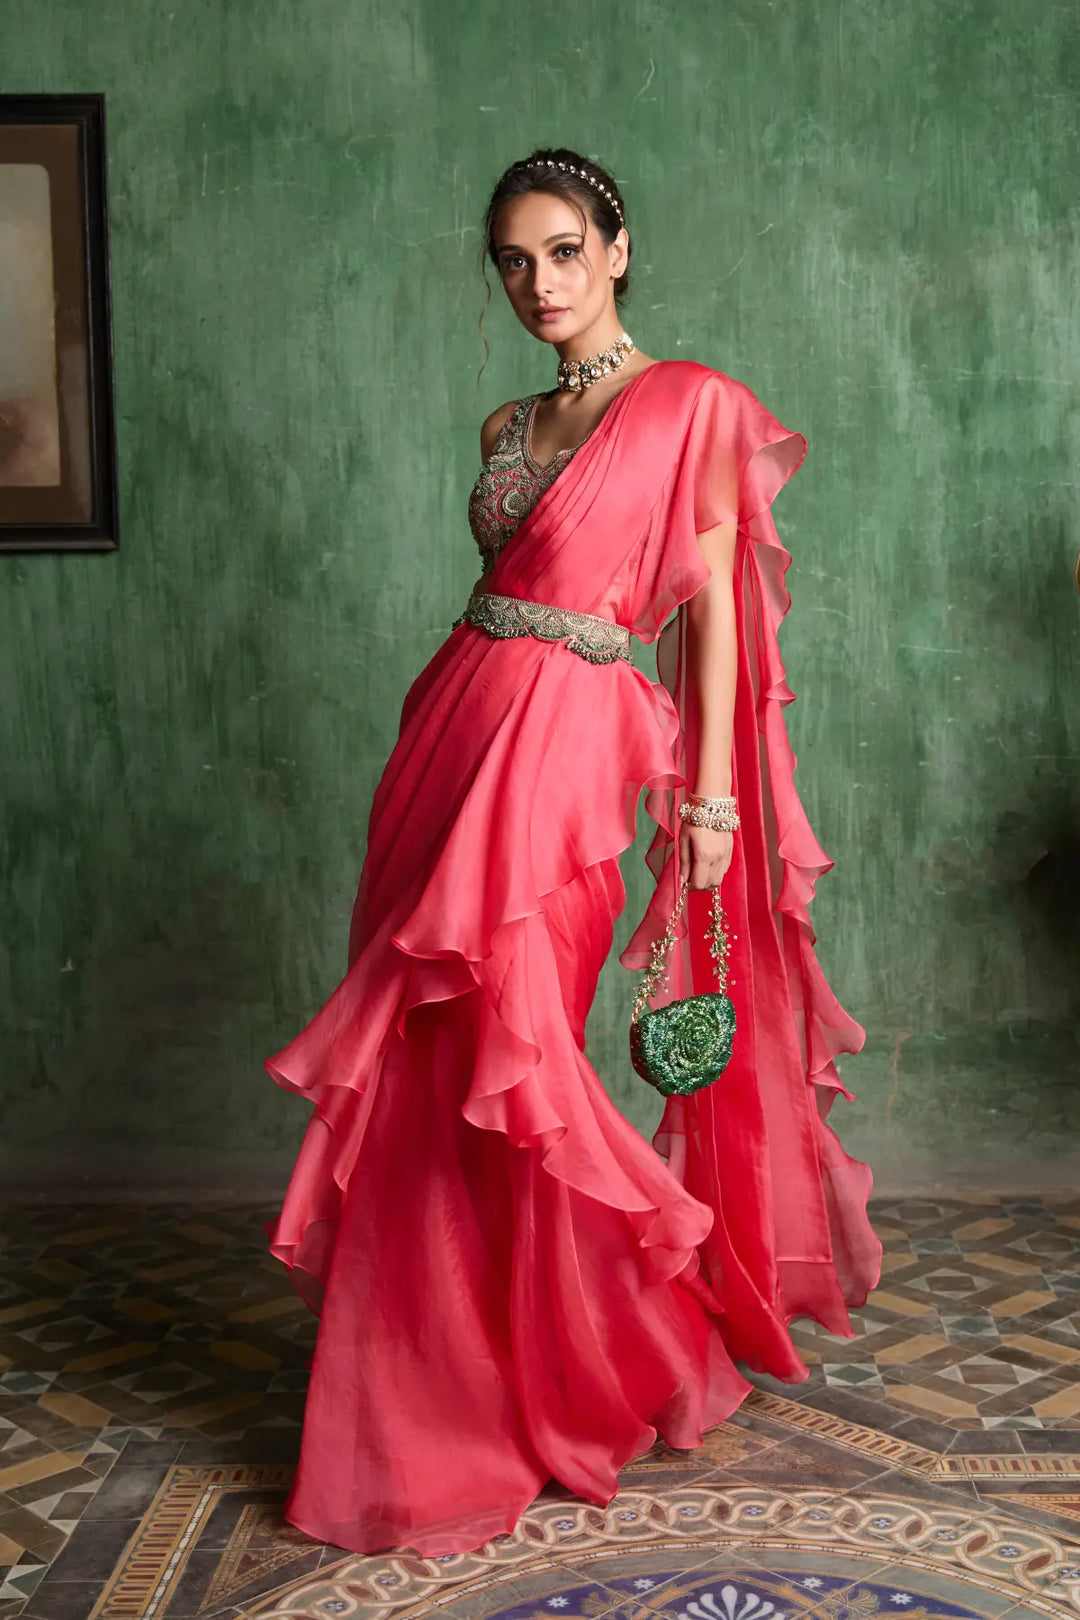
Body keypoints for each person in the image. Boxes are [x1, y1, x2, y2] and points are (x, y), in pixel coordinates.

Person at [265, 146, 882, 1558]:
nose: (535, 283)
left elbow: (711, 622)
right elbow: (498, 591)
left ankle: (590, 1357)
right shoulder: (501, 423)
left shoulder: (693, 406)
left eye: (561, 250)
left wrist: (711, 807)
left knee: (520, 1053)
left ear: (618, 248)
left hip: (572, 758)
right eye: (510, 260)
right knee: (431, 1067)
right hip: (448, 740)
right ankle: (436, 1387)